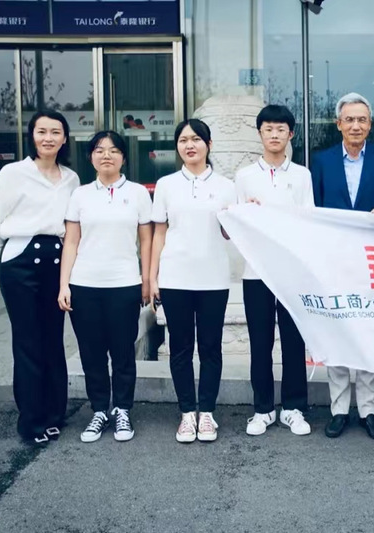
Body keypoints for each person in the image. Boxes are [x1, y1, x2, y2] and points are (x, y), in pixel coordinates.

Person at [0, 110, 79, 447]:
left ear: (65, 138)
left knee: (53, 339)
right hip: (20, 262)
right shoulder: (13, 173)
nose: (48, 138)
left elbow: (71, 227)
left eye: (55, 132)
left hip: (56, 262)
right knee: (28, 341)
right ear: (32, 136)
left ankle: (55, 414)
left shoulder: (71, 178)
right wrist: (8, 256)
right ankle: (31, 420)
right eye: (42, 131)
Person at [311, 92, 374, 441]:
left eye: (362, 119)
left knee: (368, 331)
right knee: (337, 331)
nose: (356, 125)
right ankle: (338, 410)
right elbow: (313, 209)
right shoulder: (321, 160)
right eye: (350, 119)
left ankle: (368, 410)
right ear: (339, 124)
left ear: (370, 125)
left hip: (370, 257)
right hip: (333, 258)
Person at [58, 131, 153, 443]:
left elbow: (146, 241)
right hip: (84, 285)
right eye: (99, 150)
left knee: (123, 352)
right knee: (92, 353)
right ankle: (99, 410)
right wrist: (64, 284)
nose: (106, 155)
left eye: (113, 150)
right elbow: (71, 242)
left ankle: (122, 409)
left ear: (123, 157)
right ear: (91, 157)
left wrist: (146, 280)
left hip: (124, 284)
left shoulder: (138, 193)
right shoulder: (80, 195)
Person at [149, 119, 235, 443]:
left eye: (196, 139)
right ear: (177, 147)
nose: (190, 145)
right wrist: (153, 277)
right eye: (183, 140)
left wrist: (238, 215)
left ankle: (207, 412)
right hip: (175, 277)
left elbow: (229, 233)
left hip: (214, 278)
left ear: (208, 145)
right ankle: (187, 413)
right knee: (181, 348)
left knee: (211, 347)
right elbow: (159, 233)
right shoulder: (166, 184)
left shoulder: (226, 186)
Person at [235, 105, 314, 437]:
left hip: (291, 271)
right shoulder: (244, 176)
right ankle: (263, 409)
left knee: (294, 342)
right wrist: (245, 213)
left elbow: (308, 221)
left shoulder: (302, 175)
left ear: (290, 134)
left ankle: (294, 408)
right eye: (268, 129)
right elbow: (234, 225)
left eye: (281, 129)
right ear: (260, 134)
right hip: (256, 272)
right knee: (260, 343)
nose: (274, 135)